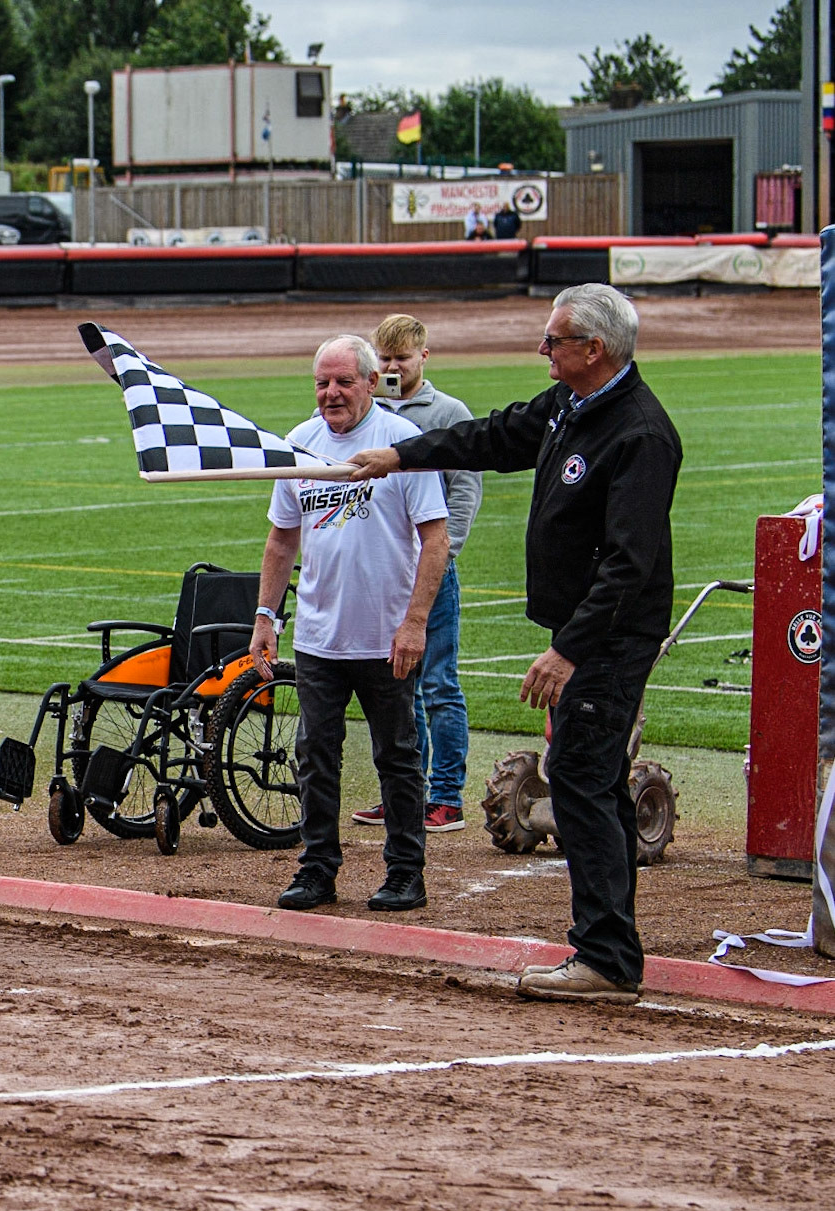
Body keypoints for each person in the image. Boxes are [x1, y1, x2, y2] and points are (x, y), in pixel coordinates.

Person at [348, 284, 682, 1004]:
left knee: (582, 779)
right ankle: (612, 947)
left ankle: (606, 958)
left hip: (611, 637)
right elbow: (492, 437)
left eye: (555, 339)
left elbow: (630, 563)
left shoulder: (639, 434)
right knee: (593, 780)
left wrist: (568, 650)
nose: (543, 349)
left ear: (595, 349)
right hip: (588, 631)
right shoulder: (569, 404)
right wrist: (399, 455)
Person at [251, 334, 450, 915]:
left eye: (342, 381)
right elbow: (282, 536)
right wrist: (267, 615)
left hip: (387, 635)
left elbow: (435, 541)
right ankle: (316, 870)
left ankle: (405, 873)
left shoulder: (400, 443)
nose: (331, 393)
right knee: (314, 754)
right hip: (319, 635)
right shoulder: (300, 444)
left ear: (369, 382)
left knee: (397, 754)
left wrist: (415, 623)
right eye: (322, 382)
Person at [351, 314, 481, 834]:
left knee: (439, 683)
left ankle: (446, 796)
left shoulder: (447, 412)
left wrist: (448, 549)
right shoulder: (366, 409)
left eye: (400, 359)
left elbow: (466, 484)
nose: (391, 368)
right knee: (393, 686)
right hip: (384, 568)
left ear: (423, 357)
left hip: (430, 567)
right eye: (383, 360)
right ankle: (404, 790)